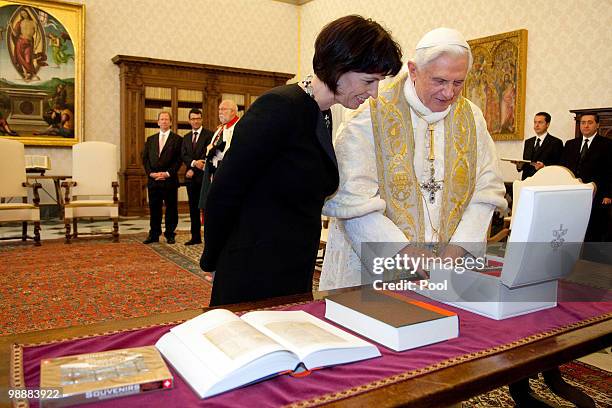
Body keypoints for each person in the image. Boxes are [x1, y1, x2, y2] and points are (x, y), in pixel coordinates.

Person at [200, 15, 403, 306]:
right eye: (369, 81)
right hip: (253, 268)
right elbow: (226, 189)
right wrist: (213, 259)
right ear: (339, 67)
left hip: (292, 266)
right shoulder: (278, 106)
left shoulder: (322, 113)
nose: (374, 93)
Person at [320, 27, 507, 291]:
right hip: (377, 268)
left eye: (458, 82)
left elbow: (486, 191)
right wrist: (402, 250)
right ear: (414, 70)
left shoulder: (472, 118)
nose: (449, 93)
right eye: (440, 81)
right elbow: (352, 201)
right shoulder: (368, 117)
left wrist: (459, 247)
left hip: (449, 268)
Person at [560, 113, 612, 242]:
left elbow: (610, 171)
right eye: (583, 123)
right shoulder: (570, 144)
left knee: (594, 232)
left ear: (597, 125)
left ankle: (592, 260)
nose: (586, 125)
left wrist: (609, 194)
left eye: (590, 122)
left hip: (598, 195)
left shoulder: (607, 144)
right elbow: (564, 168)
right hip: (573, 195)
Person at [142, 111, 183, 244]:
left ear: (170, 122)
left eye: (167, 119)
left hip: (169, 180)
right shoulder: (151, 139)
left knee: (171, 208)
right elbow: (145, 159)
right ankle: (154, 234)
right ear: (158, 122)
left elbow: (178, 160)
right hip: (153, 180)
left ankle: (170, 234)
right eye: (162, 119)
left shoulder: (177, 139)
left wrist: (167, 173)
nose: (164, 121)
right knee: (154, 208)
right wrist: (151, 173)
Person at [198, 100, 240, 210]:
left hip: (229, 172)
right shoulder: (221, 128)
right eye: (219, 109)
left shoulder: (240, 126)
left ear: (233, 111)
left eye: (223, 109)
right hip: (215, 171)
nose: (220, 112)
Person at [181, 108, 213, 245]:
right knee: (193, 208)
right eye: (193, 119)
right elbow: (184, 155)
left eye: (198, 118)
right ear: (189, 121)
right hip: (190, 179)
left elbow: (208, 155)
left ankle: (209, 238)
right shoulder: (186, 137)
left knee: (207, 208)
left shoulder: (209, 135)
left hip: (204, 178)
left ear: (202, 119)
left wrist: (195, 167)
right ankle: (195, 237)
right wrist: (193, 164)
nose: (195, 121)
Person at [515, 112, 563, 180]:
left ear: (547, 124)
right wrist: (520, 166)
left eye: (540, 122)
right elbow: (527, 163)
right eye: (535, 122)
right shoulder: (528, 142)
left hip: (544, 181)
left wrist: (544, 167)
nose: (536, 125)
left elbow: (558, 167)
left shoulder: (556, 142)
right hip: (527, 181)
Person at [10, 8, 47, 81]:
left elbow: (38, 35)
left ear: (27, 13)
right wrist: (11, 26)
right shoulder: (20, 23)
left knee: (28, 60)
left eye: (25, 13)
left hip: (29, 43)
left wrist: (36, 45)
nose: (24, 15)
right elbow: (15, 34)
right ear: (21, 15)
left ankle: (33, 74)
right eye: (22, 14)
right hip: (20, 42)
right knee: (21, 59)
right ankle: (26, 75)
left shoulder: (33, 22)